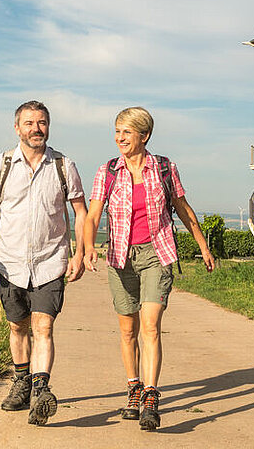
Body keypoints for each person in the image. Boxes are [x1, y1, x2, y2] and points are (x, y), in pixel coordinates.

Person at [82, 106, 215, 432]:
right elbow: (93, 214)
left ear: (144, 135)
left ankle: (151, 396)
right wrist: (86, 248)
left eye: (126, 132)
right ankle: (134, 387)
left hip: (157, 254)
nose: (119, 138)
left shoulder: (165, 169)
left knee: (150, 325)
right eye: (117, 132)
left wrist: (202, 245)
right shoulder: (108, 171)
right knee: (128, 330)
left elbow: (183, 209)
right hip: (120, 257)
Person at [0, 100, 87, 427]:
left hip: (51, 262)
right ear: (17, 128)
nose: (36, 128)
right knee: (17, 326)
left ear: (48, 126)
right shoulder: (1, 165)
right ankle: (21, 383)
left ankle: (41, 389)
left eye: (42, 122)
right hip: (11, 263)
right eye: (30, 123)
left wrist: (79, 253)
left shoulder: (64, 166)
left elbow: (81, 213)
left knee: (43, 327)